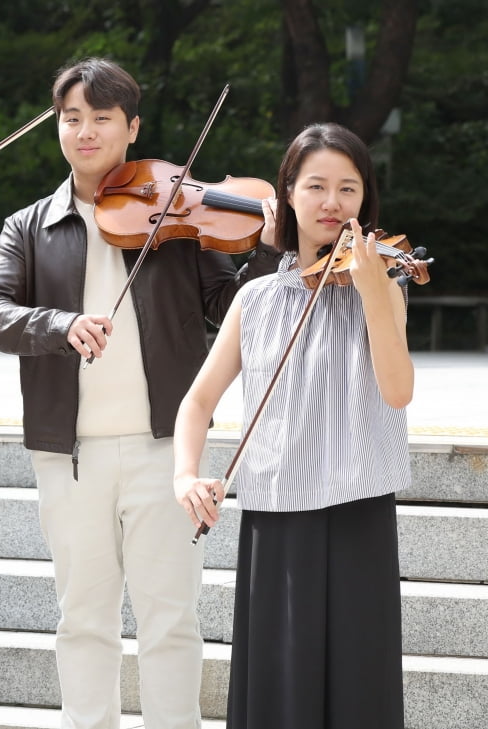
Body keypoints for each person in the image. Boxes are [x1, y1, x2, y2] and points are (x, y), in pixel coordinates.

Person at [0, 57, 282, 729]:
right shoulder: (28, 226)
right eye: (72, 118)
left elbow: (234, 306)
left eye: (102, 118)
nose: (85, 131)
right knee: (83, 616)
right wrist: (58, 323)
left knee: (171, 616)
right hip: (68, 453)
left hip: (166, 448)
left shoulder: (178, 215)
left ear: (131, 127)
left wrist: (269, 251)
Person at [172, 122, 410, 729]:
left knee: (360, 686)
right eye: (317, 186)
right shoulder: (255, 298)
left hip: (359, 507)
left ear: (365, 200)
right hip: (277, 515)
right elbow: (196, 402)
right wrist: (186, 475)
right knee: (282, 691)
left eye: (348, 189)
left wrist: (375, 293)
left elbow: (398, 390)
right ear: (289, 194)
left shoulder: (383, 286)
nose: (333, 203)